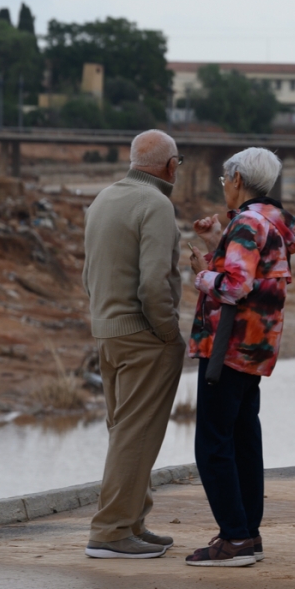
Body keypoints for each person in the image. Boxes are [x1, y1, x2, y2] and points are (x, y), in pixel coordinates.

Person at [184, 147, 295, 567]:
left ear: (237, 179)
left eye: (224, 180)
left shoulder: (247, 224)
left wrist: (201, 274)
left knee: (213, 443)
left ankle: (234, 539)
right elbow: (253, 270)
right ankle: (247, 534)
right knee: (243, 438)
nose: (223, 187)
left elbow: (234, 287)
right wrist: (217, 244)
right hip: (255, 347)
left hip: (227, 347)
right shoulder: (270, 221)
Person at [82, 129, 185, 559]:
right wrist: (169, 334)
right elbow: (153, 283)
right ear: (170, 166)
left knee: (125, 431)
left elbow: (90, 272)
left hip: (107, 332)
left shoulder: (104, 198)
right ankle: (109, 533)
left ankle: (131, 523)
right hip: (144, 337)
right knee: (136, 435)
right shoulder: (156, 204)